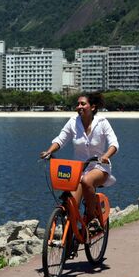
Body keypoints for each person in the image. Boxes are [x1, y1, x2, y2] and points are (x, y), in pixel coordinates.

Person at [40, 92, 119, 232]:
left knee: (87, 181)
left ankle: (92, 217)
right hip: (79, 170)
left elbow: (114, 144)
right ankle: (70, 244)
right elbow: (60, 139)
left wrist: (106, 156)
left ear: (92, 107)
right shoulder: (73, 122)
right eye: (78, 104)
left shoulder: (102, 123)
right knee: (72, 206)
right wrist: (49, 151)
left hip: (99, 167)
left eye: (83, 104)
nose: (79, 106)